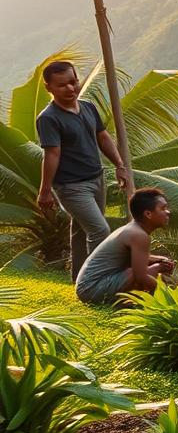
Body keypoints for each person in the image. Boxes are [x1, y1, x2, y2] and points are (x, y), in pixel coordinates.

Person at [36, 60, 131, 281]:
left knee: (80, 231)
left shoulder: (88, 107)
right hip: (71, 186)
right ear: (48, 87)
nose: (70, 88)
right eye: (62, 85)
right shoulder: (48, 118)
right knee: (100, 231)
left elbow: (103, 136)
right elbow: (52, 154)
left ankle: (79, 279)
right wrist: (45, 191)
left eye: (73, 82)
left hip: (96, 178)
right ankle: (99, 280)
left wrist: (119, 165)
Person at [75, 187, 177, 305]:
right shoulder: (139, 235)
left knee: (151, 267)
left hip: (88, 287)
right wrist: (168, 294)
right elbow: (141, 276)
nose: (168, 212)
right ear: (148, 214)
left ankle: (135, 299)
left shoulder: (133, 230)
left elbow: (134, 257)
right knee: (142, 272)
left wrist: (158, 260)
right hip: (91, 289)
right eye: (163, 208)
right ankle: (141, 301)